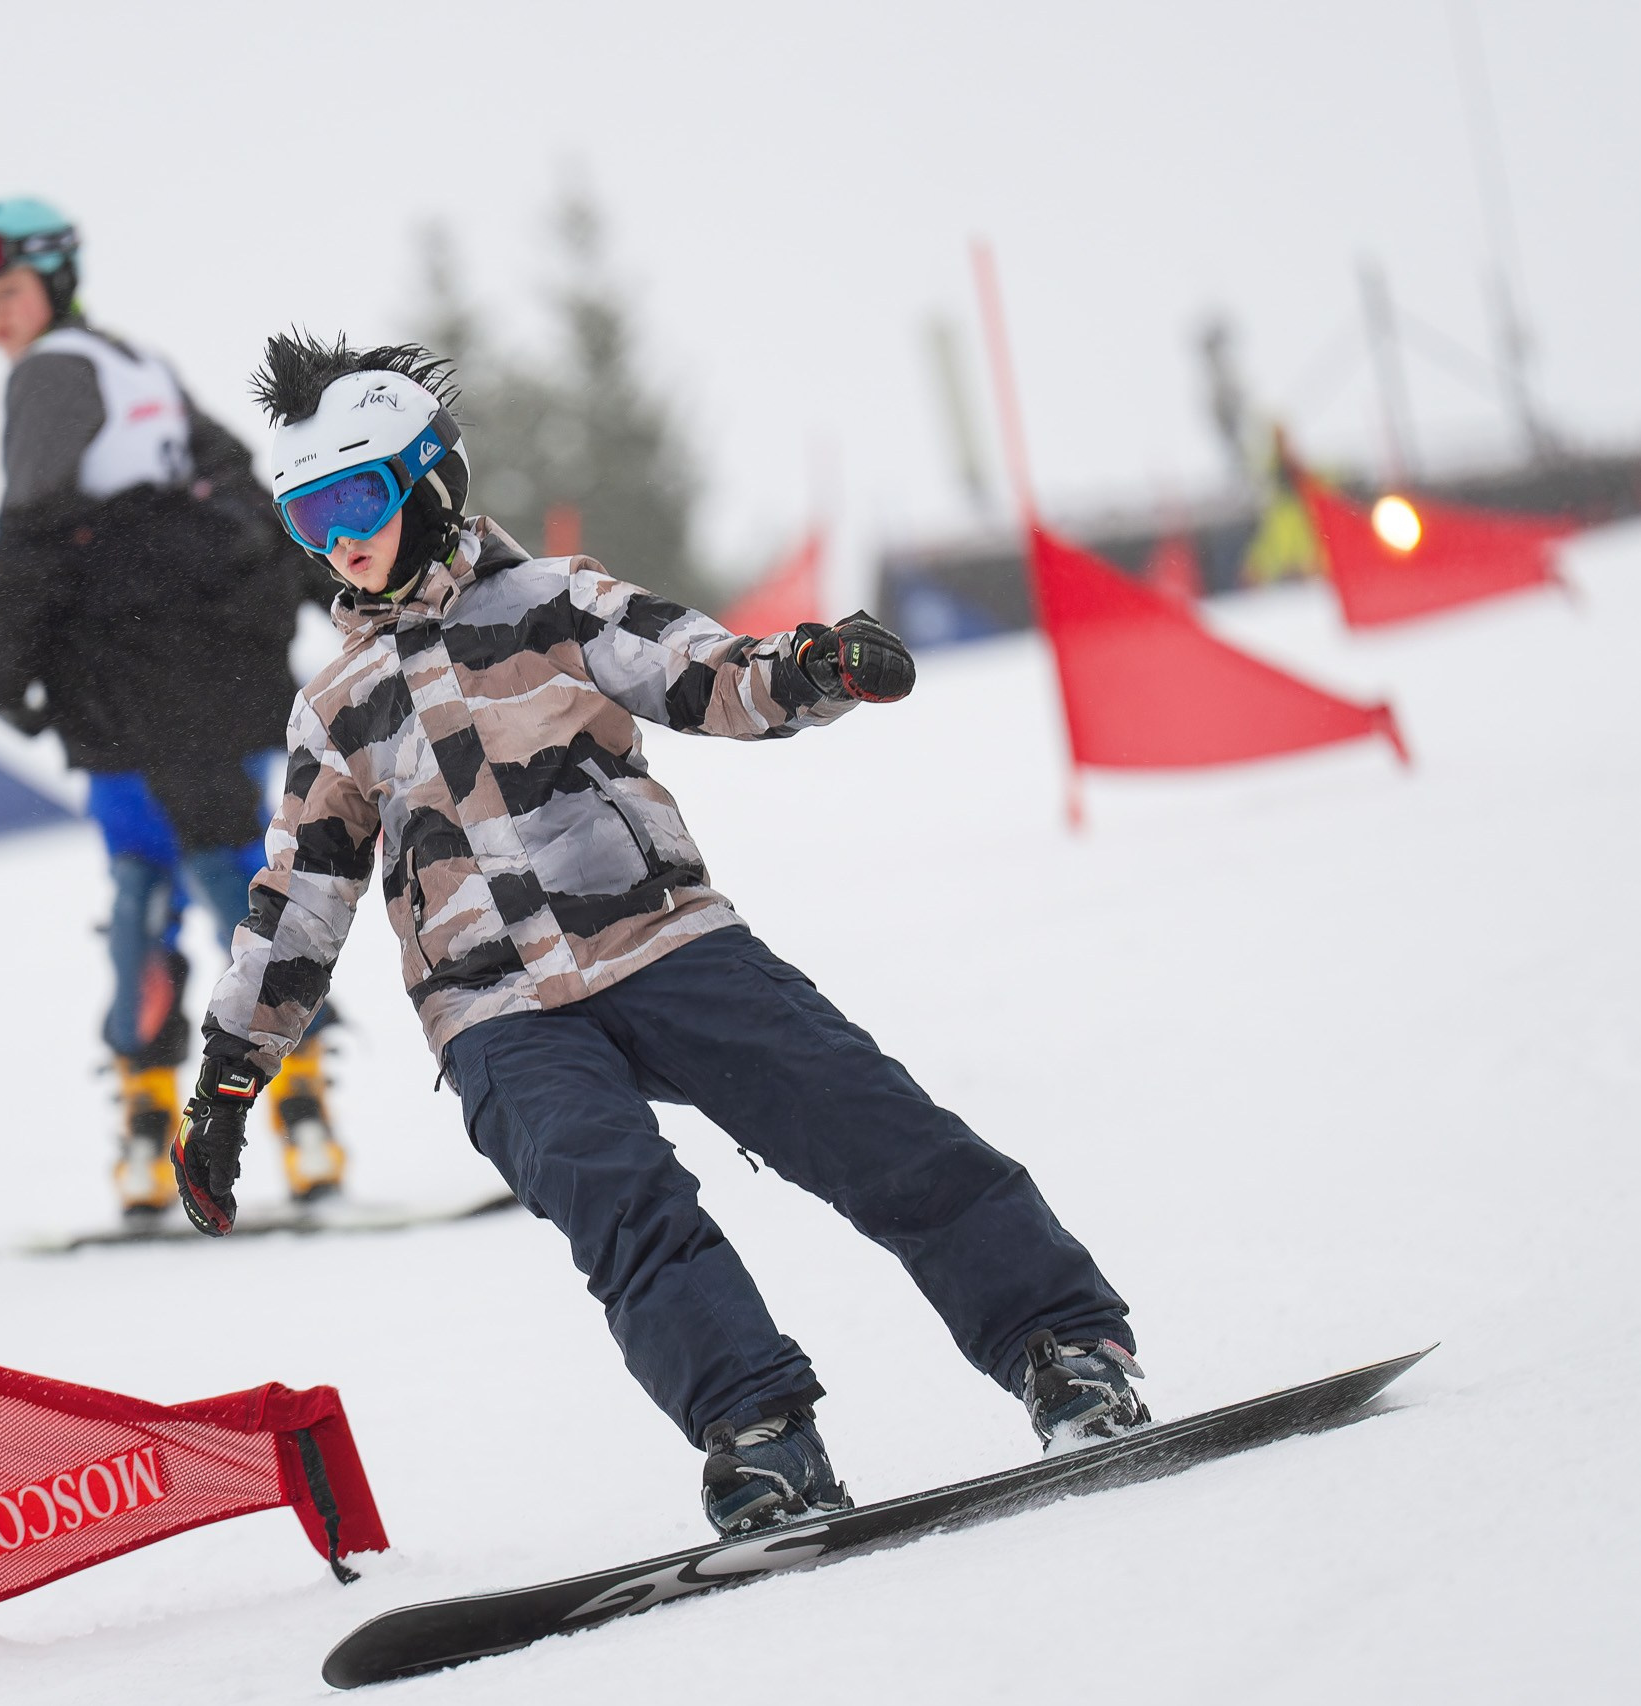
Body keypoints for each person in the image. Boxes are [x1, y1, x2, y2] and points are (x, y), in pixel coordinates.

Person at [176, 333, 1145, 1535]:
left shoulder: (555, 605)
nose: (338, 539)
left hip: (657, 938)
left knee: (863, 1120)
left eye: (357, 498)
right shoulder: (336, 708)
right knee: (622, 1207)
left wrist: (812, 667)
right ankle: (760, 1435)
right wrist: (227, 1077)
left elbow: (705, 674)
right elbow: (299, 901)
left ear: (432, 481)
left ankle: (1065, 1347)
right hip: (492, 1011)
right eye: (305, 517)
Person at [0, 198, 344, 1225]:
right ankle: (300, 1110)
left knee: (150, 888)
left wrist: (2, 664)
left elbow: (29, 523)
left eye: (6, 296)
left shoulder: (51, 375)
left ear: (53, 285)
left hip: (127, 689)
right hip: (219, 678)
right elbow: (241, 481)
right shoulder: (134, 365)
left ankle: (151, 1121)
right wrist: (311, 583)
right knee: (239, 876)